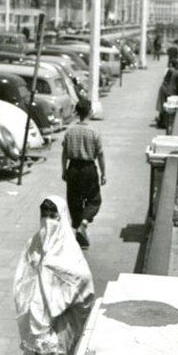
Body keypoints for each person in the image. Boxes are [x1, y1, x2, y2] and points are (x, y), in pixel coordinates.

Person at [14, 196, 95, 355]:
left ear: (61, 216)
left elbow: (81, 279)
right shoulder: (35, 241)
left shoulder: (68, 247)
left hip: (61, 319)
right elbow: (23, 274)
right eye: (44, 214)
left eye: (53, 215)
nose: (48, 220)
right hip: (38, 317)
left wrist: (56, 297)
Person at [62, 99, 105, 248]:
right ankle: (84, 224)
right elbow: (100, 155)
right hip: (89, 169)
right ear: (90, 112)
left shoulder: (70, 131)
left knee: (74, 200)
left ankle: (78, 228)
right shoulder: (94, 132)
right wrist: (104, 173)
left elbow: (64, 153)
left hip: (73, 168)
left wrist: (64, 170)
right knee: (94, 200)